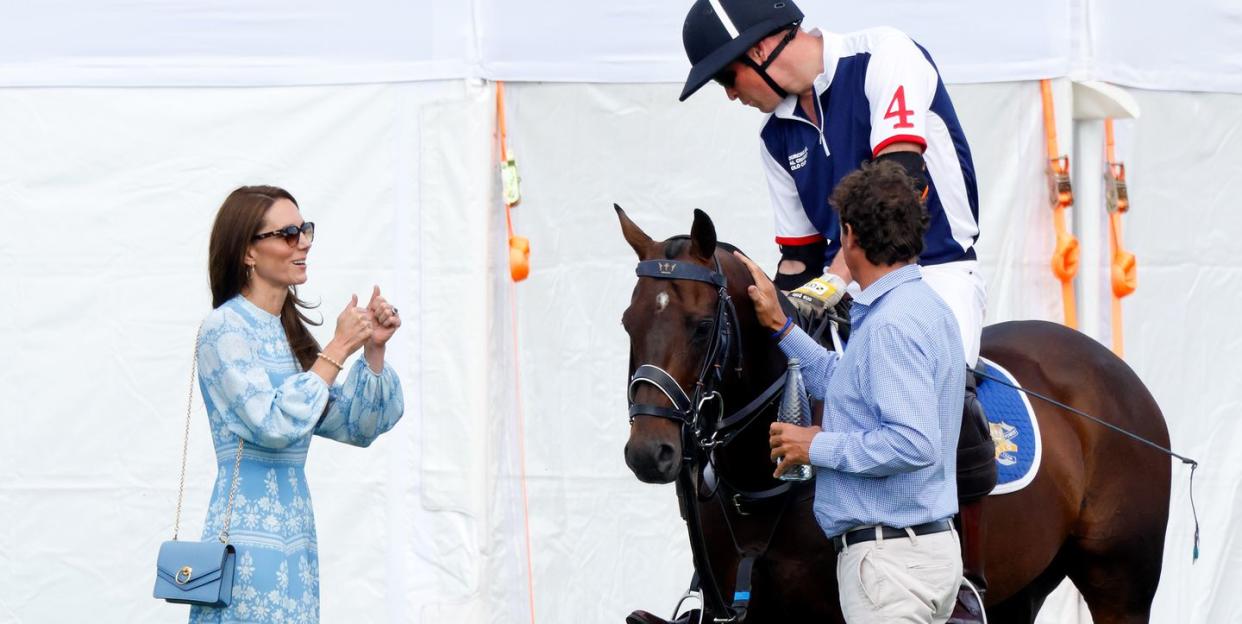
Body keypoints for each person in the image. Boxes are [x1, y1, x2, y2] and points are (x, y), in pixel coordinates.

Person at [680, 2, 994, 617]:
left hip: (935, 266)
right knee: (765, 382)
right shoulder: (776, 139)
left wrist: (823, 290)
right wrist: (776, 311)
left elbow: (892, 196)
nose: (728, 95)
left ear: (761, 49)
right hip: (848, 281)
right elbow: (797, 258)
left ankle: (967, 584)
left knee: (950, 402)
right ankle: (722, 573)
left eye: (726, 77)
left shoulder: (885, 56)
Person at [735, 161, 963, 623]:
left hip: (889, 565)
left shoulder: (890, 325)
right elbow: (846, 386)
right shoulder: (922, 308)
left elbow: (915, 442)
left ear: (850, 235)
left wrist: (816, 445)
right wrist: (781, 326)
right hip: (919, 553)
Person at [189, 185, 404, 624]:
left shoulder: (290, 337)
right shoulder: (223, 330)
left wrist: (372, 351)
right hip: (244, 541)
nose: (303, 241)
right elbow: (270, 423)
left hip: (296, 537)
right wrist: (338, 347)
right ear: (249, 252)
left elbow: (354, 426)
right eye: (288, 233)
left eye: (304, 229)